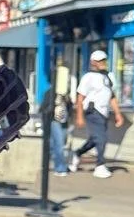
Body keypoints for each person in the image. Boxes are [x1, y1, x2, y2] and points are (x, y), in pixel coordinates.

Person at [70, 49, 124, 178]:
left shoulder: (109, 76)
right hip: (92, 111)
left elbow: (112, 97)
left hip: (104, 112)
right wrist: (79, 116)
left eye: (104, 60)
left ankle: (77, 153)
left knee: (95, 139)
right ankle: (100, 165)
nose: (102, 63)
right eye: (99, 61)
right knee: (102, 138)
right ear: (93, 62)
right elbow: (80, 97)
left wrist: (118, 114)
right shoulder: (88, 77)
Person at [44, 81, 71, 177]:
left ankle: (58, 164)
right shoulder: (50, 93)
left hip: (63, 122)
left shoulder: (66, 95)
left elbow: (69, 107)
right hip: (54, 121)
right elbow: (45, 107)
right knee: (58, 144)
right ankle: (60, 168)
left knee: (57, 144)